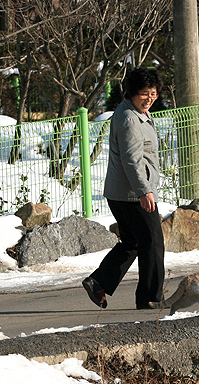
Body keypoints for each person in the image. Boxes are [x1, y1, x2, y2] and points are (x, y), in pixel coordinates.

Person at [82, 67, 165, 310]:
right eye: (143, 94)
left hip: (122, 192)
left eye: (153, 93)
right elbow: (132, 159)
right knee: (152, 242)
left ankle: (99, 281)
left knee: (133, 242)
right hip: (133, 194)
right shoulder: (130, 119)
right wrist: (144, 191)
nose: (149, 98)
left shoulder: (133, 112)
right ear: (131, 93)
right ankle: (150, 298)